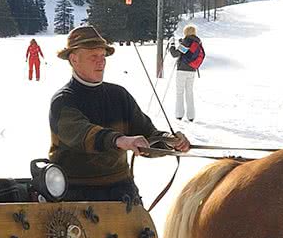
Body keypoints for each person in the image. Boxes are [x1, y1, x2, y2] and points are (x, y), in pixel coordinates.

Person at [49, 25, 191, 207]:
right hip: (75, 193)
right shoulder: (63, 101)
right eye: (93, 57)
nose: (101, 62)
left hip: (121, 191)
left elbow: (147, 136)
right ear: (74, 59)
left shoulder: (119, 95)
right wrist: (120, 140)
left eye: (102, 56)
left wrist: (171, 142)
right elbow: (82, 134)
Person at [167, 25, 204, 122]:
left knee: (180, 92)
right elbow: (187, 52)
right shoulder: (197, 42)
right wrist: (181, 43)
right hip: (192, 70)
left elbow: (175, 54)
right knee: (189, 93)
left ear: (186, 32)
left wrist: (172, 44)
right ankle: (191, 116)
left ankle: (179, 115)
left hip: (182, 70)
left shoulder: (187, 41)